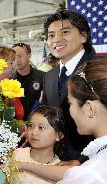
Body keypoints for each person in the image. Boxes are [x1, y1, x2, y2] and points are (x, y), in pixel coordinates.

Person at [10, 60, 107, 184]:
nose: (70, 111)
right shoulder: (93, 164)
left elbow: (81, 177)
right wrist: (24, 165)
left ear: (89, 108)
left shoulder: (89, 175)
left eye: (70, 103)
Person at [41, 9, 98, 160]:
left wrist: (83, 162)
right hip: (56, 160)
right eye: (51, 35)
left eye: (65, 32)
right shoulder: (49, 76)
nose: (56, 39)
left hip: (94, 163)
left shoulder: (99, 70)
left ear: (83, 36)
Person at [12, 43, 44, 121]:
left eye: (20, 56)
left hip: (35, 123)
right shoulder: (9, 79)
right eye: (14, 57)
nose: (16, 60)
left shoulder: (42, 77)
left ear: (29, 56)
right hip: (15, 124)